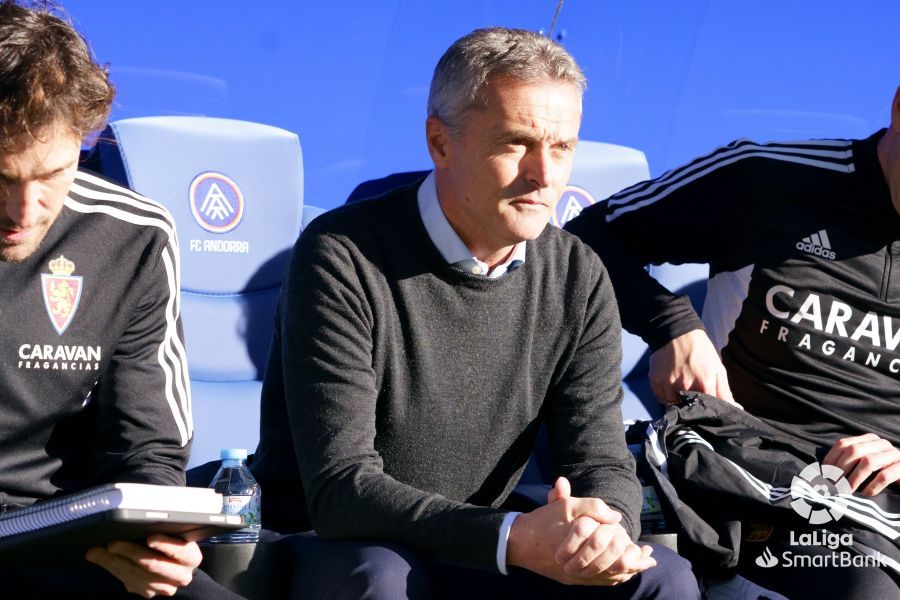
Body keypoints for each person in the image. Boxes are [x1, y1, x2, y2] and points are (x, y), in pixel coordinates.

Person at [251, 26, 699, 598]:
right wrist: (512, 537)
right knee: (380, 576)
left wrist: (600, 530)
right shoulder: (341, 252)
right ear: (440, 142)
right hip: (337, 542)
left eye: (563, 148)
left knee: (662, 578)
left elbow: (600, 459)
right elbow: (342, 487)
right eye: (517, 143)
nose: (545, 174)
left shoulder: (577, 274)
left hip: (486, 541)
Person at [565, 86, 900, 597]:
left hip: (882, 505)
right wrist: (672, 325)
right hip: (749, 487)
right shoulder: (769, 179)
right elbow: (586, 236)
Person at [0, 2, 242, 597]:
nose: (22, 213)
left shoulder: (132, 237)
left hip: (65, 540)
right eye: (1, 177)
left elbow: (149, 443)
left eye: (52, 174)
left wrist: (156, 537)